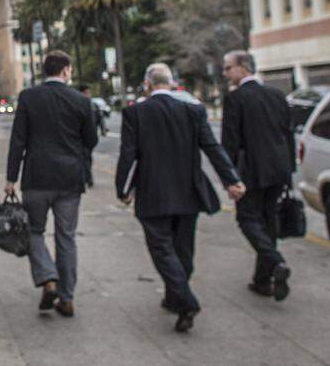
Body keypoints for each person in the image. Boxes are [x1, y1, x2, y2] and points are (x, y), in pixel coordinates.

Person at [116, 63, 245, 332]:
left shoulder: (135, 113)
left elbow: (128, 156)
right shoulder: (193, 111)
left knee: (162, 249)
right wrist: (231, 180)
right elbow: (212, 148)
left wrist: (124, 189)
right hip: (189, 191)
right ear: (173, 84)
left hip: (153, 194)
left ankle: (184, 300)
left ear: (147, 85)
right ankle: (175, 297)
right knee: (183, 249)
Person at [5, 50, 97, 317]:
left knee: (33, 231)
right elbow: (90, 141)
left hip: (36, 178)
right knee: (66, 237)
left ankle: (48, 278)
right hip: (70, 180)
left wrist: (11, 178)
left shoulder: (29, 97)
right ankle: (66, 298)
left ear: (45, 70)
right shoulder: (81, 101)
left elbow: (18, 140)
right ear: (66, 70)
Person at [221, 50, 296, 302]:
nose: (226, 73)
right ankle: (263, 279)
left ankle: (275, 263)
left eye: (228, 68)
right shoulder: (276, 94)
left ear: (243, 68)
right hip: (278, 169)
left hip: (251, 170)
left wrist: (229, 177)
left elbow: (230, 142)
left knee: (247, 219)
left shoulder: (236, 99)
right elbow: (288, 133)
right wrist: (289, 169)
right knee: (268, 220)